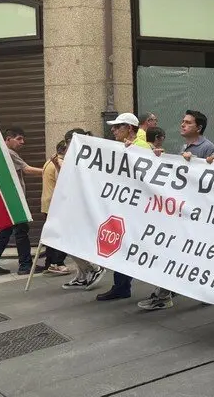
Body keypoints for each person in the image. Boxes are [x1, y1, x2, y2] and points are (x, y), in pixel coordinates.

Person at [138, 113, 214, 311]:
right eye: (182, 121)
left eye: (188, 122)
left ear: (198, 128)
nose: (182, 124)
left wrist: (200, 162)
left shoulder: (207, 147)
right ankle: (166, 292)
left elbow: (212, 175)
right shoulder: (184, 148)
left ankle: (205, 290)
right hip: (182, 209)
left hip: (197, 212)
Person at [0, 128, 45, 277]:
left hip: (6, 199)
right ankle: (25, 265)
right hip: (14, 200)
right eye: (19, 139)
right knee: (21, 231)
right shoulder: (8, 153)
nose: (23, 142)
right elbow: (27, 169)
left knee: (5, 232)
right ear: (8, 139)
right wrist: (50, 171)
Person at [97, 113, 148, 301]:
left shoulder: (141, 147)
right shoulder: (123, 147)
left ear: (130, 128)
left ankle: (124, 286)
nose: (113, 130)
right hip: (126, 206)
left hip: (135, 209)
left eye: (118, 126)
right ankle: (121, 285)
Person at [60, 128, 107, 291]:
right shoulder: (71, 156)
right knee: (68, 240)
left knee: (70, 240)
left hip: (85, 205)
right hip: (74, 204)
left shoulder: (91, 155)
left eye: (68, 142)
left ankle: (94, 268)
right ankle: (82, 275)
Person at [41, 139, 71, 275]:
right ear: (65, 150)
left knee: (51, 235)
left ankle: (49, 263)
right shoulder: (59, 163)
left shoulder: (48, 162)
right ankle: (58, 263)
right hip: (56, 204)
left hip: (47, 202)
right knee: (62, 235)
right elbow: (64, 183)